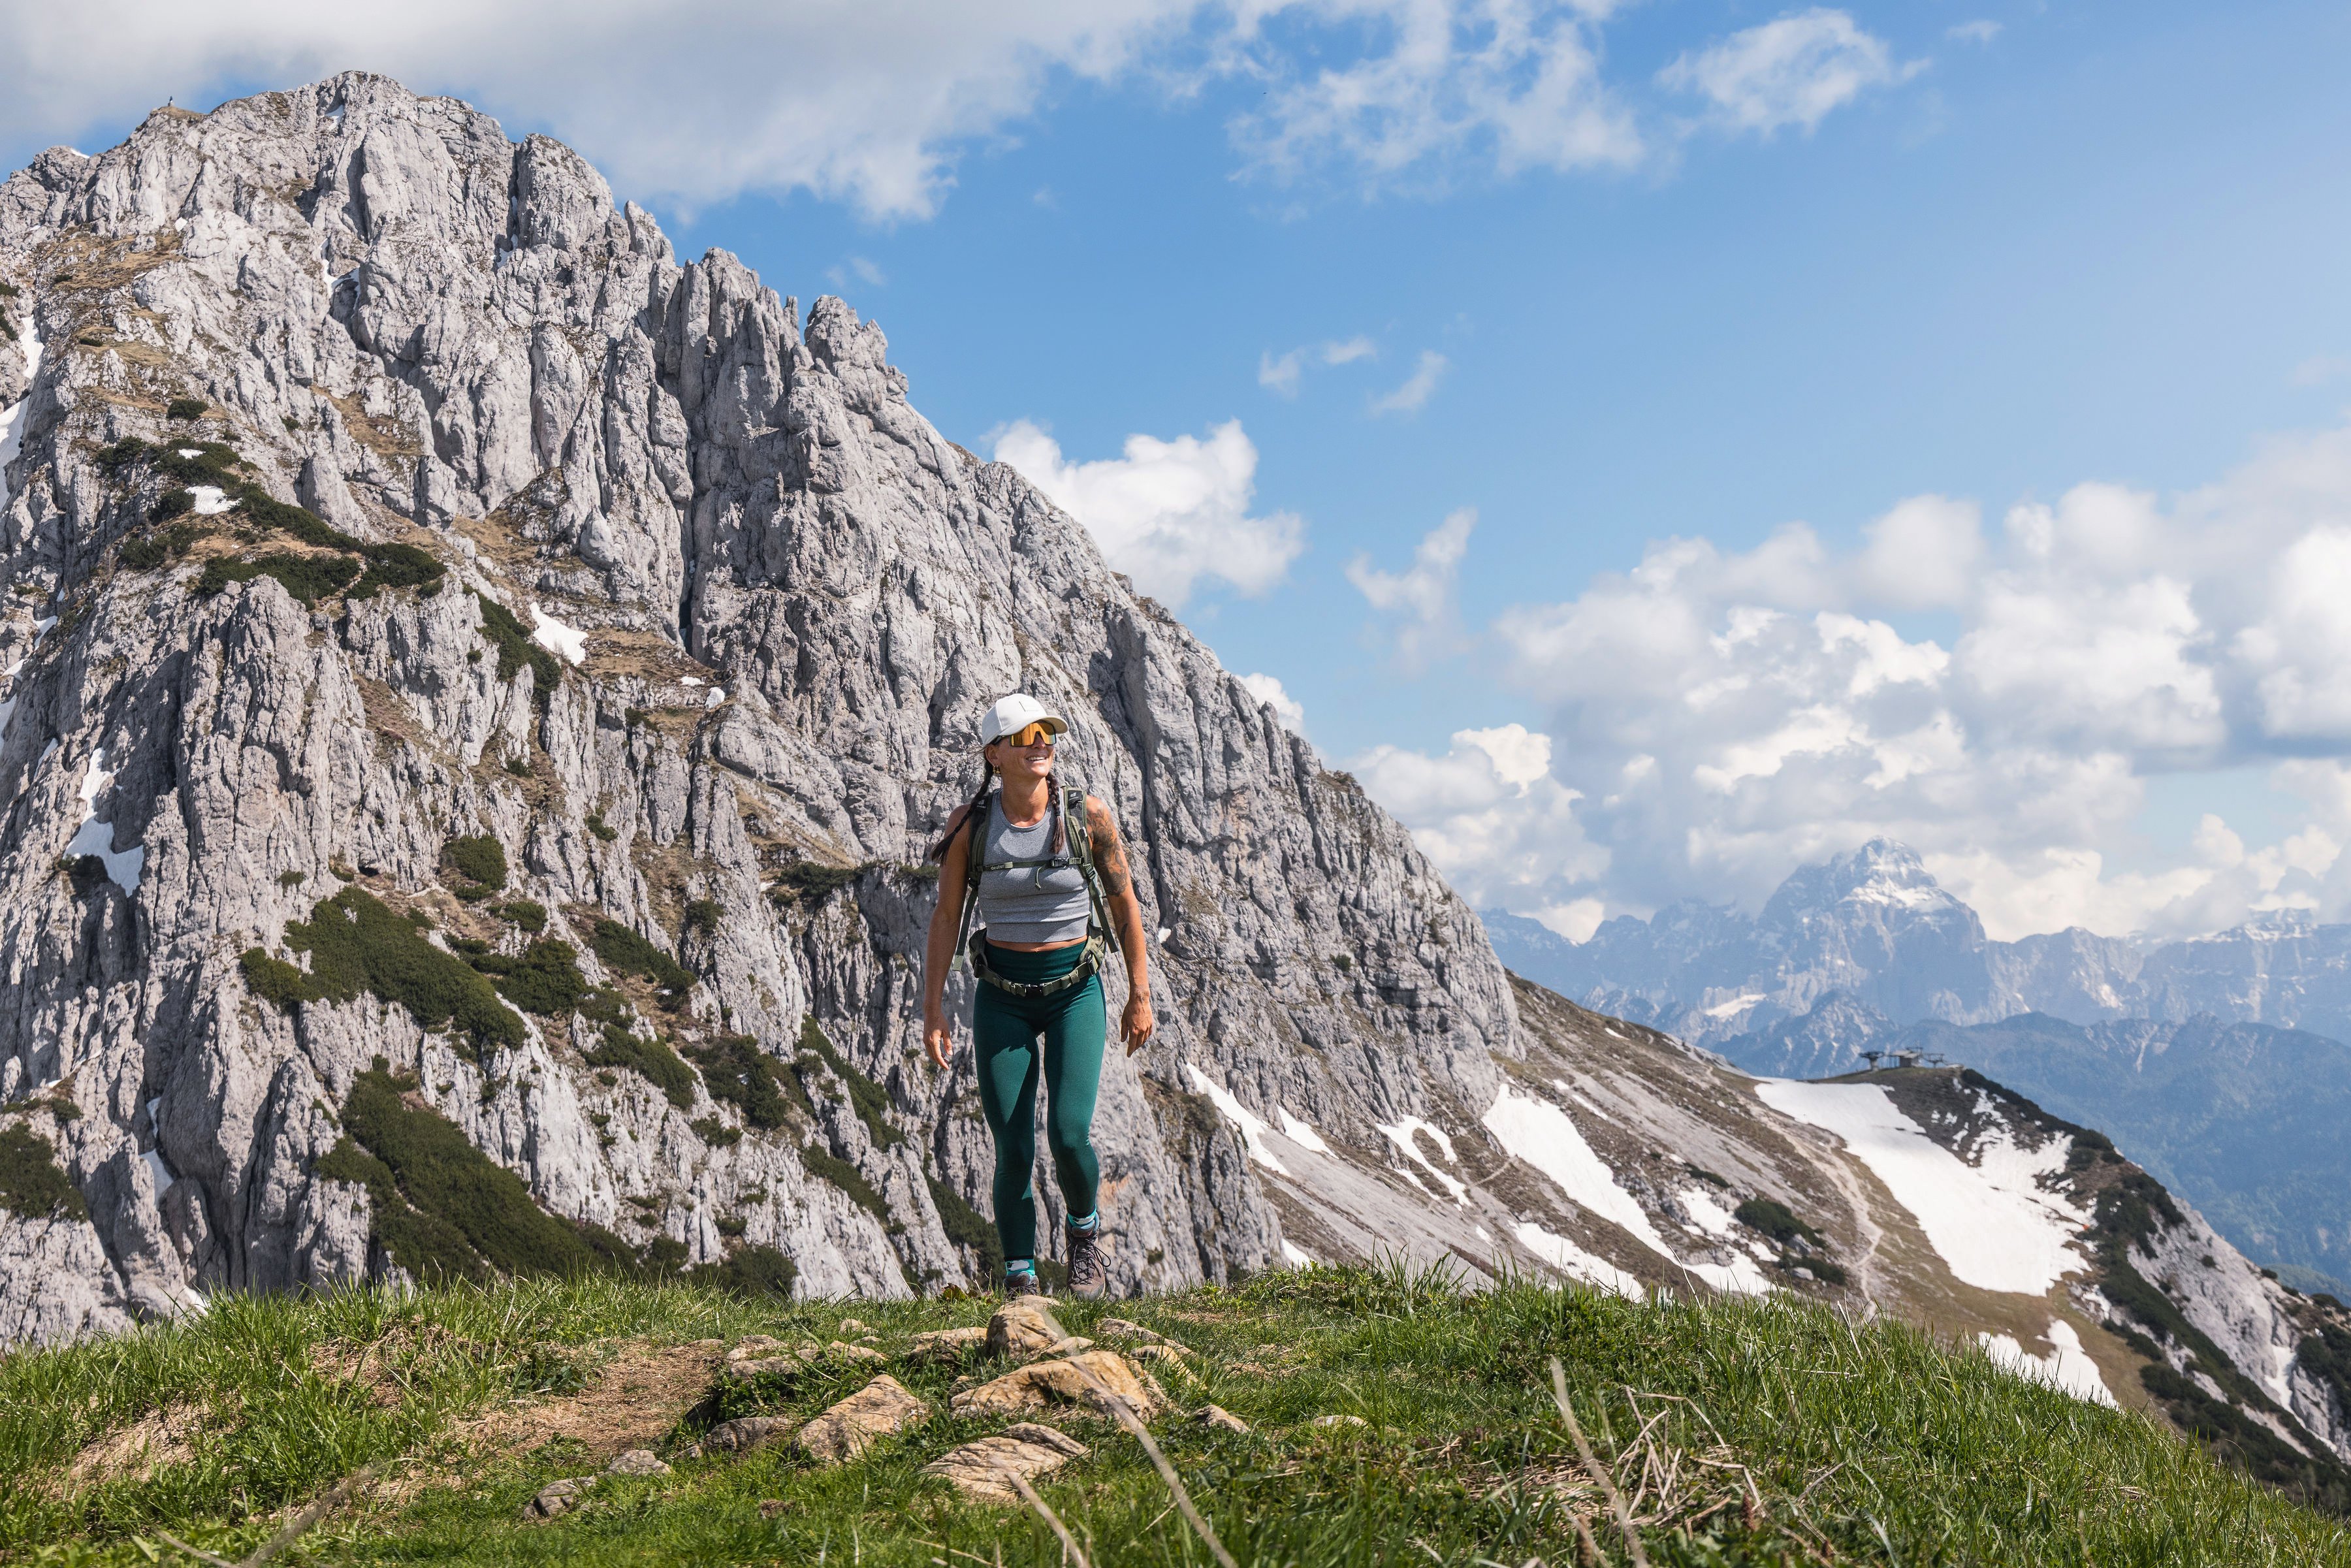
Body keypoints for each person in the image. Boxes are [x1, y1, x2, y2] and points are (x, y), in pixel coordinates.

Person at [922, 694, 1154, 1299]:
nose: (1041, 743)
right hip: (1002, 998)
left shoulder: (1088, 815)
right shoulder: (970, 826)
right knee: (1012, 1145)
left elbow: (1126, 904)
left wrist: (1140, 994)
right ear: (994, 754)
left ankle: (1083, 1238)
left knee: (1070, 1132)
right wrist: (933, 1009)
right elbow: (947, 919)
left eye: (1047, 733)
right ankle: (1020, 1276)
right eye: (1025, 736)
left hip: (1075, 993)